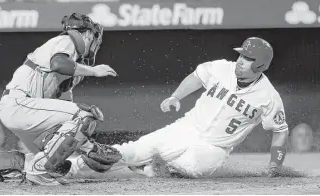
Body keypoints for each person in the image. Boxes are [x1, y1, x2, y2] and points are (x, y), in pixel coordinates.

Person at [69, 37, 289, 178]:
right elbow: (197, 77)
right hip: (186, 128)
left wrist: (275, 165)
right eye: (241, 54)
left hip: (214, 148)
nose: (240, 60)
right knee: (133, 150)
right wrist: (176, 96)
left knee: (186, 166)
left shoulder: (268, 96)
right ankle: (69, 167)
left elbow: (280, 131)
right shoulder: (222, 68)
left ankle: (147, 168)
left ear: (260, 65)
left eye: (248, 58)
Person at [0, 13, 122, 185]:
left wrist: (88, 148)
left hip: (23, 110)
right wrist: (95, 71)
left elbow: (68, 118)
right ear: (87, 34)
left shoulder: (71, 72)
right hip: (20, 104)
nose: (94, 41)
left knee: (57, 163)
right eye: (93, 36)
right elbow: (59, 63)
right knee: (86, 115)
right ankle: (37, 171)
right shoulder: (69, 40)